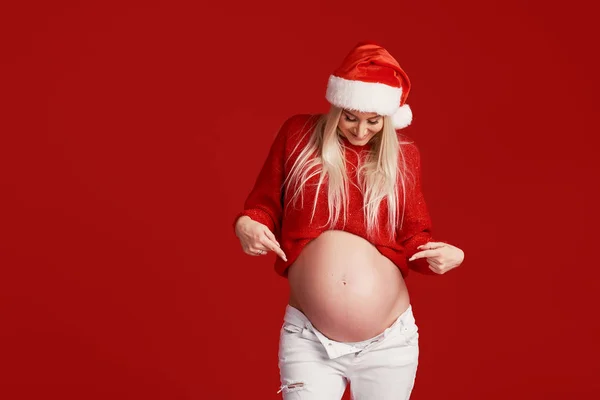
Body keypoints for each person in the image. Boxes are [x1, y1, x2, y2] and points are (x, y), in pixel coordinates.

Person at [233, 42, 465, 400]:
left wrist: (447, 256)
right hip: (309, 337)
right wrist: (246, 224)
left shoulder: (404, 157)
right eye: (350, 117)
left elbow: (414, 237)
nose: (360, 131)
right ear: (336, 105)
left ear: (388, 119)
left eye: (373, 121)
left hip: (388, 342)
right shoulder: (298, 136)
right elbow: (262, 206)